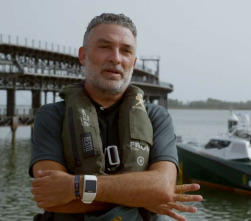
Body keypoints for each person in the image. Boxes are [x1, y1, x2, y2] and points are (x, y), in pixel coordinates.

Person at [29, 13, 202, 221]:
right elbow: (51, 197)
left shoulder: (156, 116)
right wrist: (142, 197)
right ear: (83, 55)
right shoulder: (52, 116)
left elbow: (162, 189)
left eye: (126, 50)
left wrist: (75, 186)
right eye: (104, 47)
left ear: (134, 62)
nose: (116, 58)